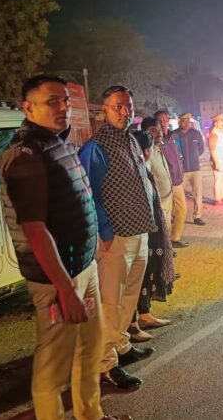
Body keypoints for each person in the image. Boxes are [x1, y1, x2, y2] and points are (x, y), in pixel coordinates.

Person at [0, 75, 130, 420]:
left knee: (89, 349)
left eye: (65, 101)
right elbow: (34, 229)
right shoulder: (27, 155)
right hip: (56, 279)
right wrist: (64, 288)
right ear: (28, 107)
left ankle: (91, 415)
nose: (63, 108)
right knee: (53, 366)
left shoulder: (58, 143)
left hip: (82, 268)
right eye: (52, 101)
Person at [78, 86, 155, 390]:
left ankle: (121, 345)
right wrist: (105, 233)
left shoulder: (131, 140)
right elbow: (88, 194)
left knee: (129, 298)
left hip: (138, 233)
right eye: (118, 107)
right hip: (116, 239)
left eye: (129, 106)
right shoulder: (95, 147)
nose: (125, 112)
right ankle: (105, 364)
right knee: (110, 303)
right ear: (105, 110)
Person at [127, 131, 174, 342]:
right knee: (135, 280)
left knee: (147, 275)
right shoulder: (134, 171)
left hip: (150, 232)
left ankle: (144, 315)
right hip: (140, 233)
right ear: (145, 150)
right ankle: (131, 325)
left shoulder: (142, 168)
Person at [154, 110, 189, 248]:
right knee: (166, 215)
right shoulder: (156, 140)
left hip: (177, 181)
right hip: (166, 183)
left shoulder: (174, 137)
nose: (163, 122)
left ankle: (174, 238)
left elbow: (179, 155)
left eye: (164, 119)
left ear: (168, 120)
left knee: (181, 210)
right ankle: (165, 244)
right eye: (159, 120)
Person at [172, 113, 206, 226]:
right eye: (184, 121)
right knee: (177, 194)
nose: (187, 123)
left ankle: (197, 216)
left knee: (197, 193)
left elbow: (201, 148)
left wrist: (194, 156)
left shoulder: (196, 134)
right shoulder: (174, 135)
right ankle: (176, 215)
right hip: (181, 170)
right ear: (179, 122)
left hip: (195, 169)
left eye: (188, 121)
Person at [207, 113, 223, 206]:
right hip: (217, 160)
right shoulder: (213, 135)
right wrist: (216, 162)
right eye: (221, 121)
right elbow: (212, 149)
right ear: (215, 123)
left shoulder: (221, 133)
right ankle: (217, 199)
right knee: (218, 180)